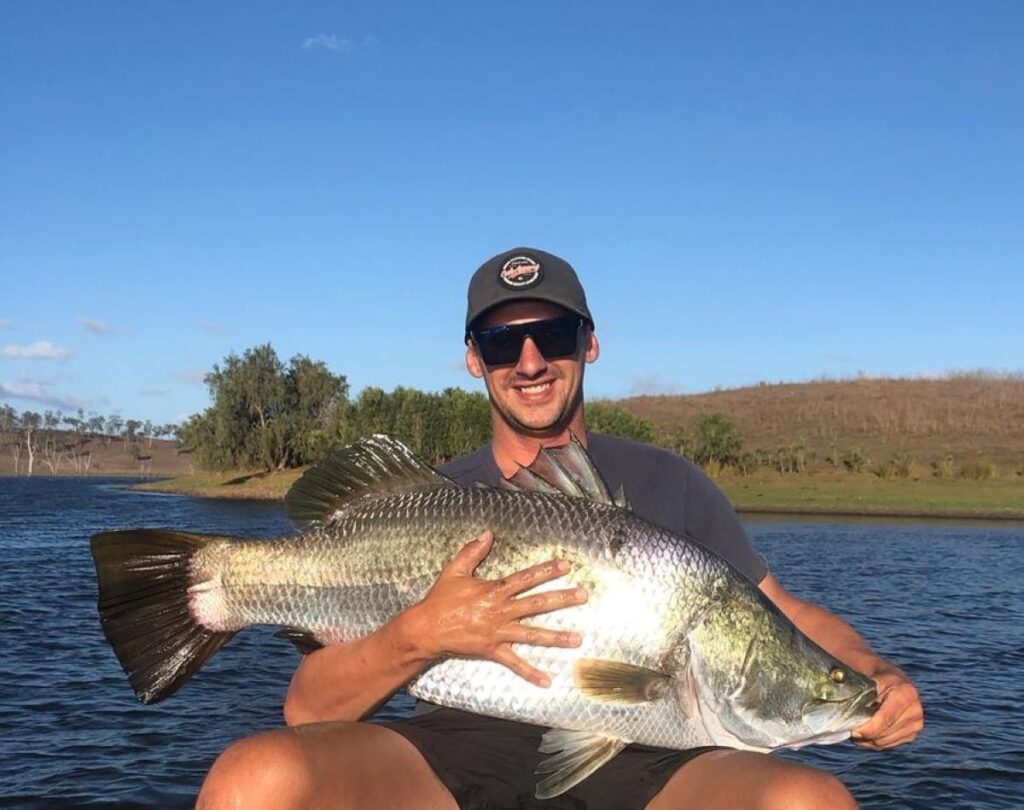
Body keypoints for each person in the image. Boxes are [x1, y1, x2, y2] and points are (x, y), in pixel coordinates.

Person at [197, 248, 924, 809]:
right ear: (475, 359)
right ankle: (204, 588)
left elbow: (782, 613)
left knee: (811, 801)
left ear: (589, 343)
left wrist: (873, 673)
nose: (532, 361)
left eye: (552, 334)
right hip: (453, 748)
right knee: (251, 780)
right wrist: (421, 633)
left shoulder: (671, 483)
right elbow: (308, 710)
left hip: (657, 756)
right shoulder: (422, 501)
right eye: (503, 342)